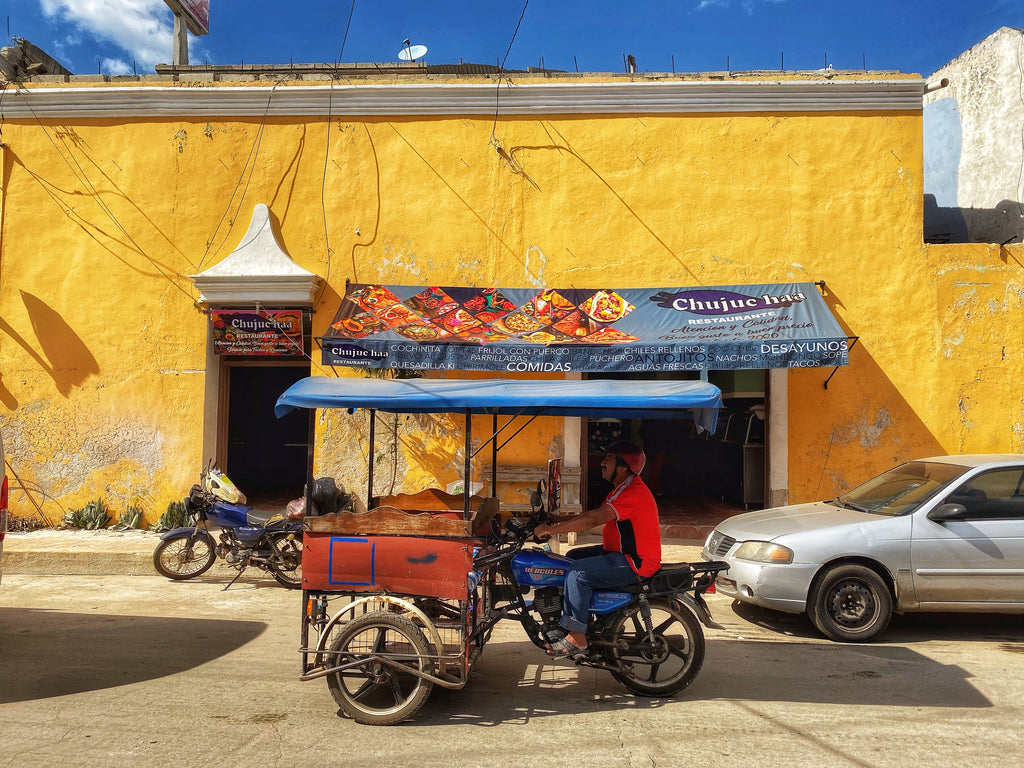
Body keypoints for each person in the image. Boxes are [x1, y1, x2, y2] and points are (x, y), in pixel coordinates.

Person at [533, 441, 662, 658]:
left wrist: (552, 529)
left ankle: (577, 635)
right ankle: (586, 619)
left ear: (623, 467)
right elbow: (591, 514)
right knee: (572, 557)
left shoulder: (632, 492)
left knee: (577, 572)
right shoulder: (623, 488)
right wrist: (558, 519)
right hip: (620, 554)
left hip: (634, 562)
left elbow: (594, 519)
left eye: (609, 459)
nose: (602, 462)